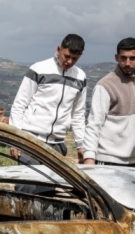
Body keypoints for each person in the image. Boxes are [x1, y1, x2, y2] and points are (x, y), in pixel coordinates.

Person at [9, 34, 88, 163]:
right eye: (66, 56)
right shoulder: (39, 69)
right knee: (27, 183)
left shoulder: (80, 77)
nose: (69, 61)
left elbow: (78, 113)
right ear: (58, 49)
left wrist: (81, 144)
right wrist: (16, 139)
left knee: (48, 183)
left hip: (57, 145)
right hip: (31, 139)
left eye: (75, 58)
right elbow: (19, 104)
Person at [83, 38, 135, 167]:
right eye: (123, 58)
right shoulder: (105, 85)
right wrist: (89, 158)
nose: (127, 63)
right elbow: (94, 123)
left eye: (132, 58)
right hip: (107, 159)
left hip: (134, 160)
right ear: (116, 57)